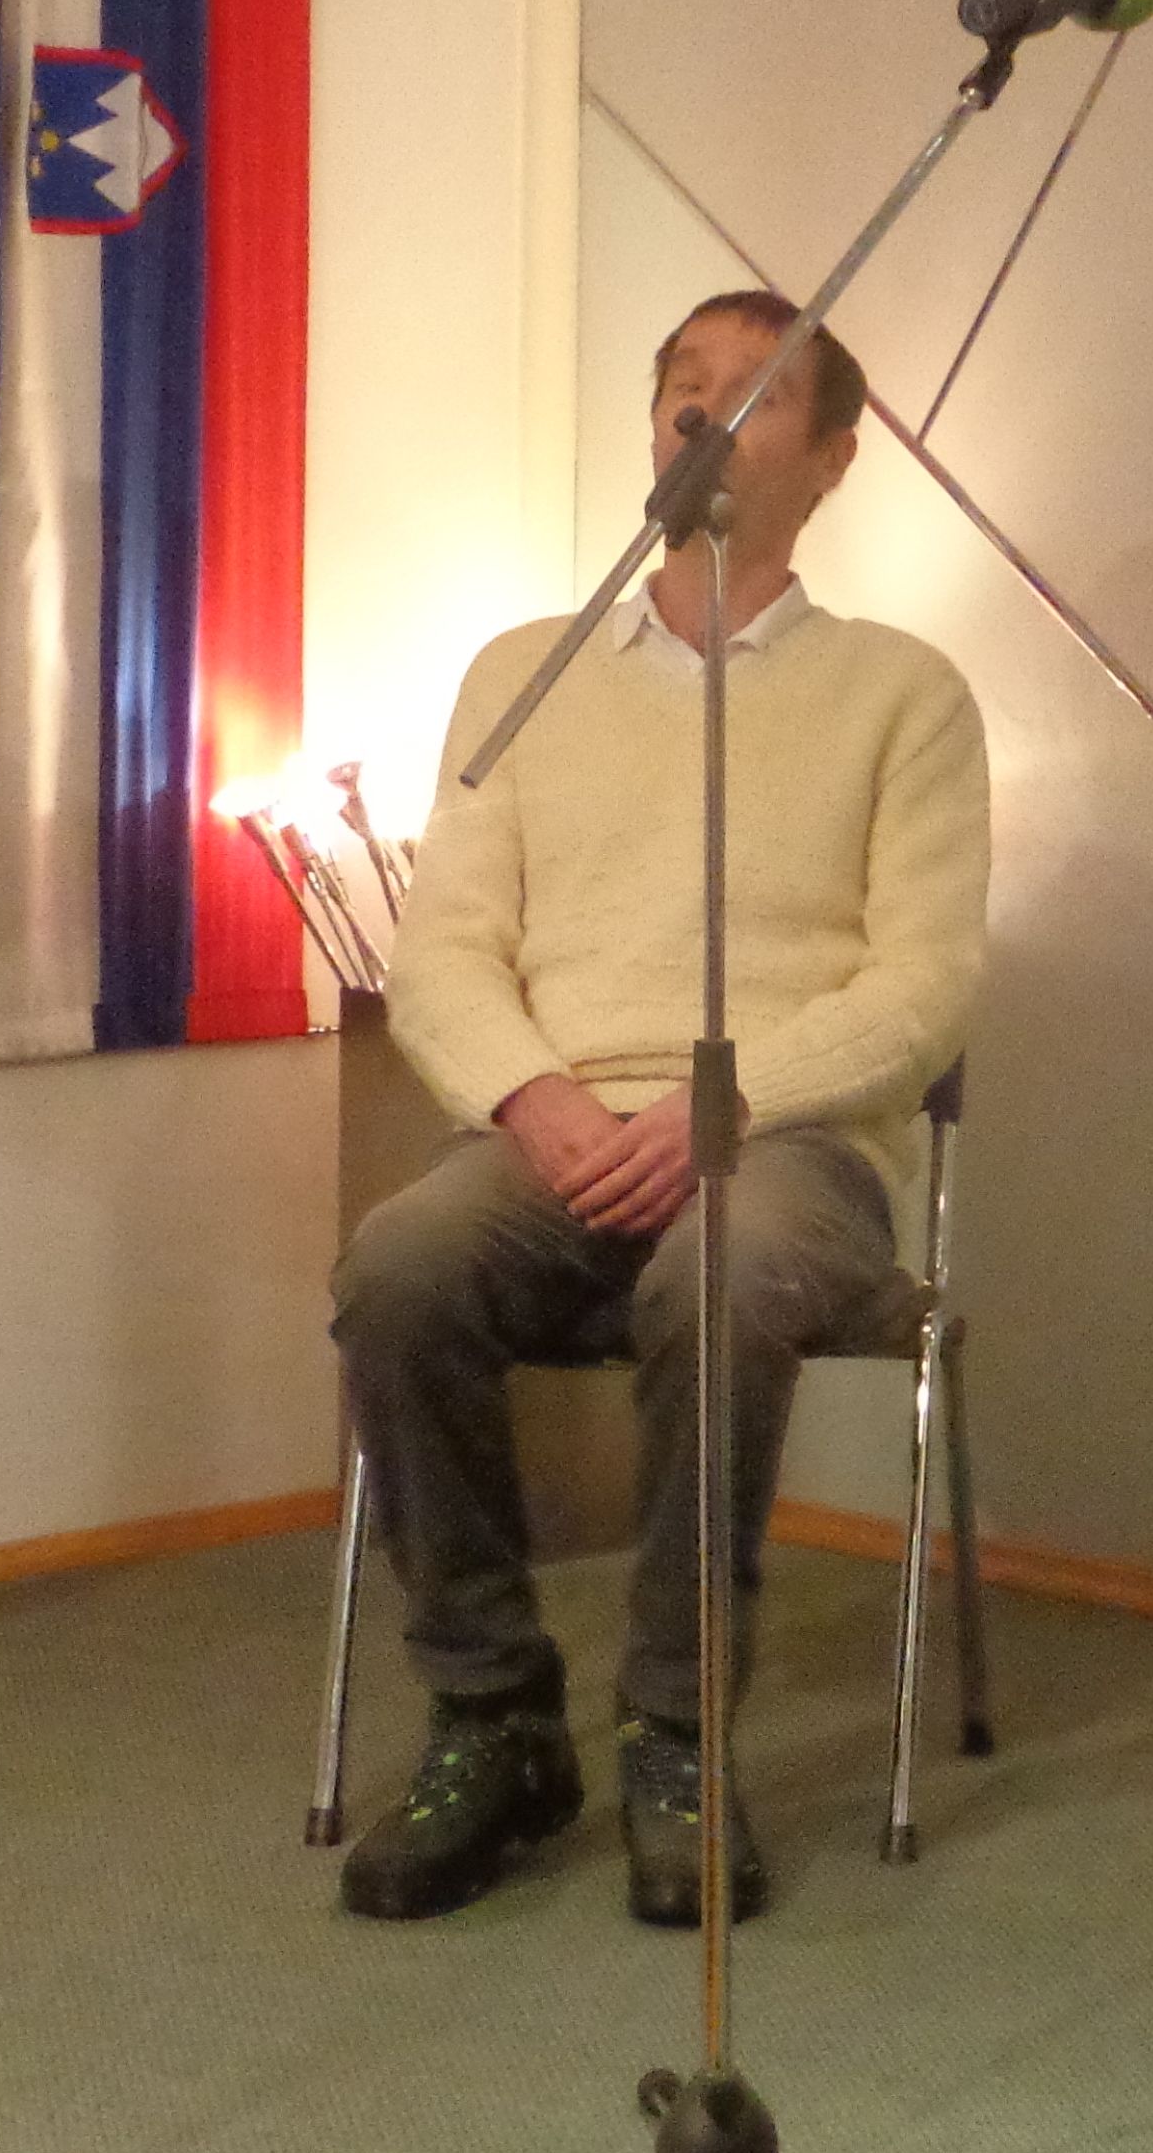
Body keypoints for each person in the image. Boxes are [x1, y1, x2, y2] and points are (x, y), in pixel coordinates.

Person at [329, 290, 987, 1925]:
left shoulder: (903, 695)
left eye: (753, 395)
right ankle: (492, 1716)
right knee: (399, 1265)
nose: (701, 415)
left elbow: (921, 989)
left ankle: (676, 1734)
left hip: (784, 1149)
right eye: (681, 386)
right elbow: (442, 953)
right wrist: (534, 1098)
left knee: (720, 1268)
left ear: (830, 461)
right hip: (553, 1138)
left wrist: (727, 1107)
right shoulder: (525, 675)